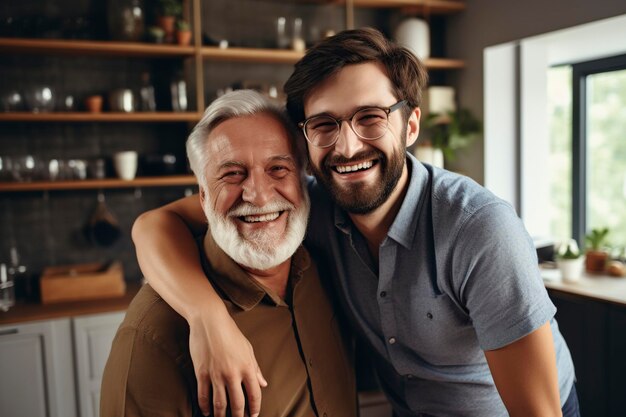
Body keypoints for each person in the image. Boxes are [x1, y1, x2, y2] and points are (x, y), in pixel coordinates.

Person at [132, 28, 579, 417]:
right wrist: (208, 319)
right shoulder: (306, 204)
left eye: (370, 117)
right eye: (325, 124)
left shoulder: (479, 229)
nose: (347, 148)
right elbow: (155, 223)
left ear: (410, 126)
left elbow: (539, 413)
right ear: (306, 140)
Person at [100, 90, 357, 417]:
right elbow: (151, 224)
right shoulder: (153, 335)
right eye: (233, 174)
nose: (260, 196)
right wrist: (205, 316)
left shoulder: (330, 265)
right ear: (203, 198)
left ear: (304, 180)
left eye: (278, 168)